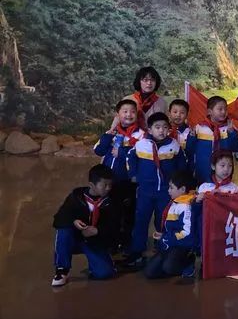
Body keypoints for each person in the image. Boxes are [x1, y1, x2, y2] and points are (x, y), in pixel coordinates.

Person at [124, 112, 187, 269]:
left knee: (163, 220)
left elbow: (182, 163)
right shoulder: (141, 144)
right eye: (157, 127)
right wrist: (133, 175)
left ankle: (161, 247)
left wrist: (179, 181)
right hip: (145, 191)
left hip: (165, 192)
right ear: (150, 129)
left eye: (165, 127)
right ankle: (137, 251)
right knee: (141, 221)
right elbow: (130, 157)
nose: (161, 130)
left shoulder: (174, 145)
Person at [52, 164, 118, 286]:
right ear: (92, 185)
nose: (108, 188)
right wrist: (73, 221)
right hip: (75, 239)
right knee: (63, 230)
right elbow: (58, 219)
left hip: (95, 241)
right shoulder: (76, 197)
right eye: (104, 185)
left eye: (110, 185)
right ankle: (62, 269)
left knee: (104, 273)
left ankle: (96, 264)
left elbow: (115, 227)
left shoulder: (111, 202)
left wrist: (97, 231)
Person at [93, 99, 145, 249]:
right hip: (108, 182)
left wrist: (122, 152)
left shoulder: (141, 135)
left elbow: (142, 156)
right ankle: (110, 242)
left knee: (127, 213)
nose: (129, 115)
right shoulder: (112, 133)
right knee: (108, 212)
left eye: (132, 112)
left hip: (127, 182)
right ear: (118, 114)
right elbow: (98, 151)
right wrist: (109, 134)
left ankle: (126, 243)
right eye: (125, 111)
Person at [144, 170, 197, 279]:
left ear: (182, 189)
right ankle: (169, 264)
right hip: (170, 243)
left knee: (169, 267)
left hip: (181, 245)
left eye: (171, 188)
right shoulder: (175, 202)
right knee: (150, 272)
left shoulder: (186, 206)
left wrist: (167, 238)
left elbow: (187, 233)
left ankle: (188, 263)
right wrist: (163, 236)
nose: (168, 190)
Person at [190, 96, 238, 184]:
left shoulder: (231, 128)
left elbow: (237, 148)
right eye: (220, 109)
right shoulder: (199, 128)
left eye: (225, 109)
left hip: (224, 173)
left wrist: (231, 133)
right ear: (209, 112)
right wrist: (191, 137)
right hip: (203, 171)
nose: (224, 112)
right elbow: (190, 149)